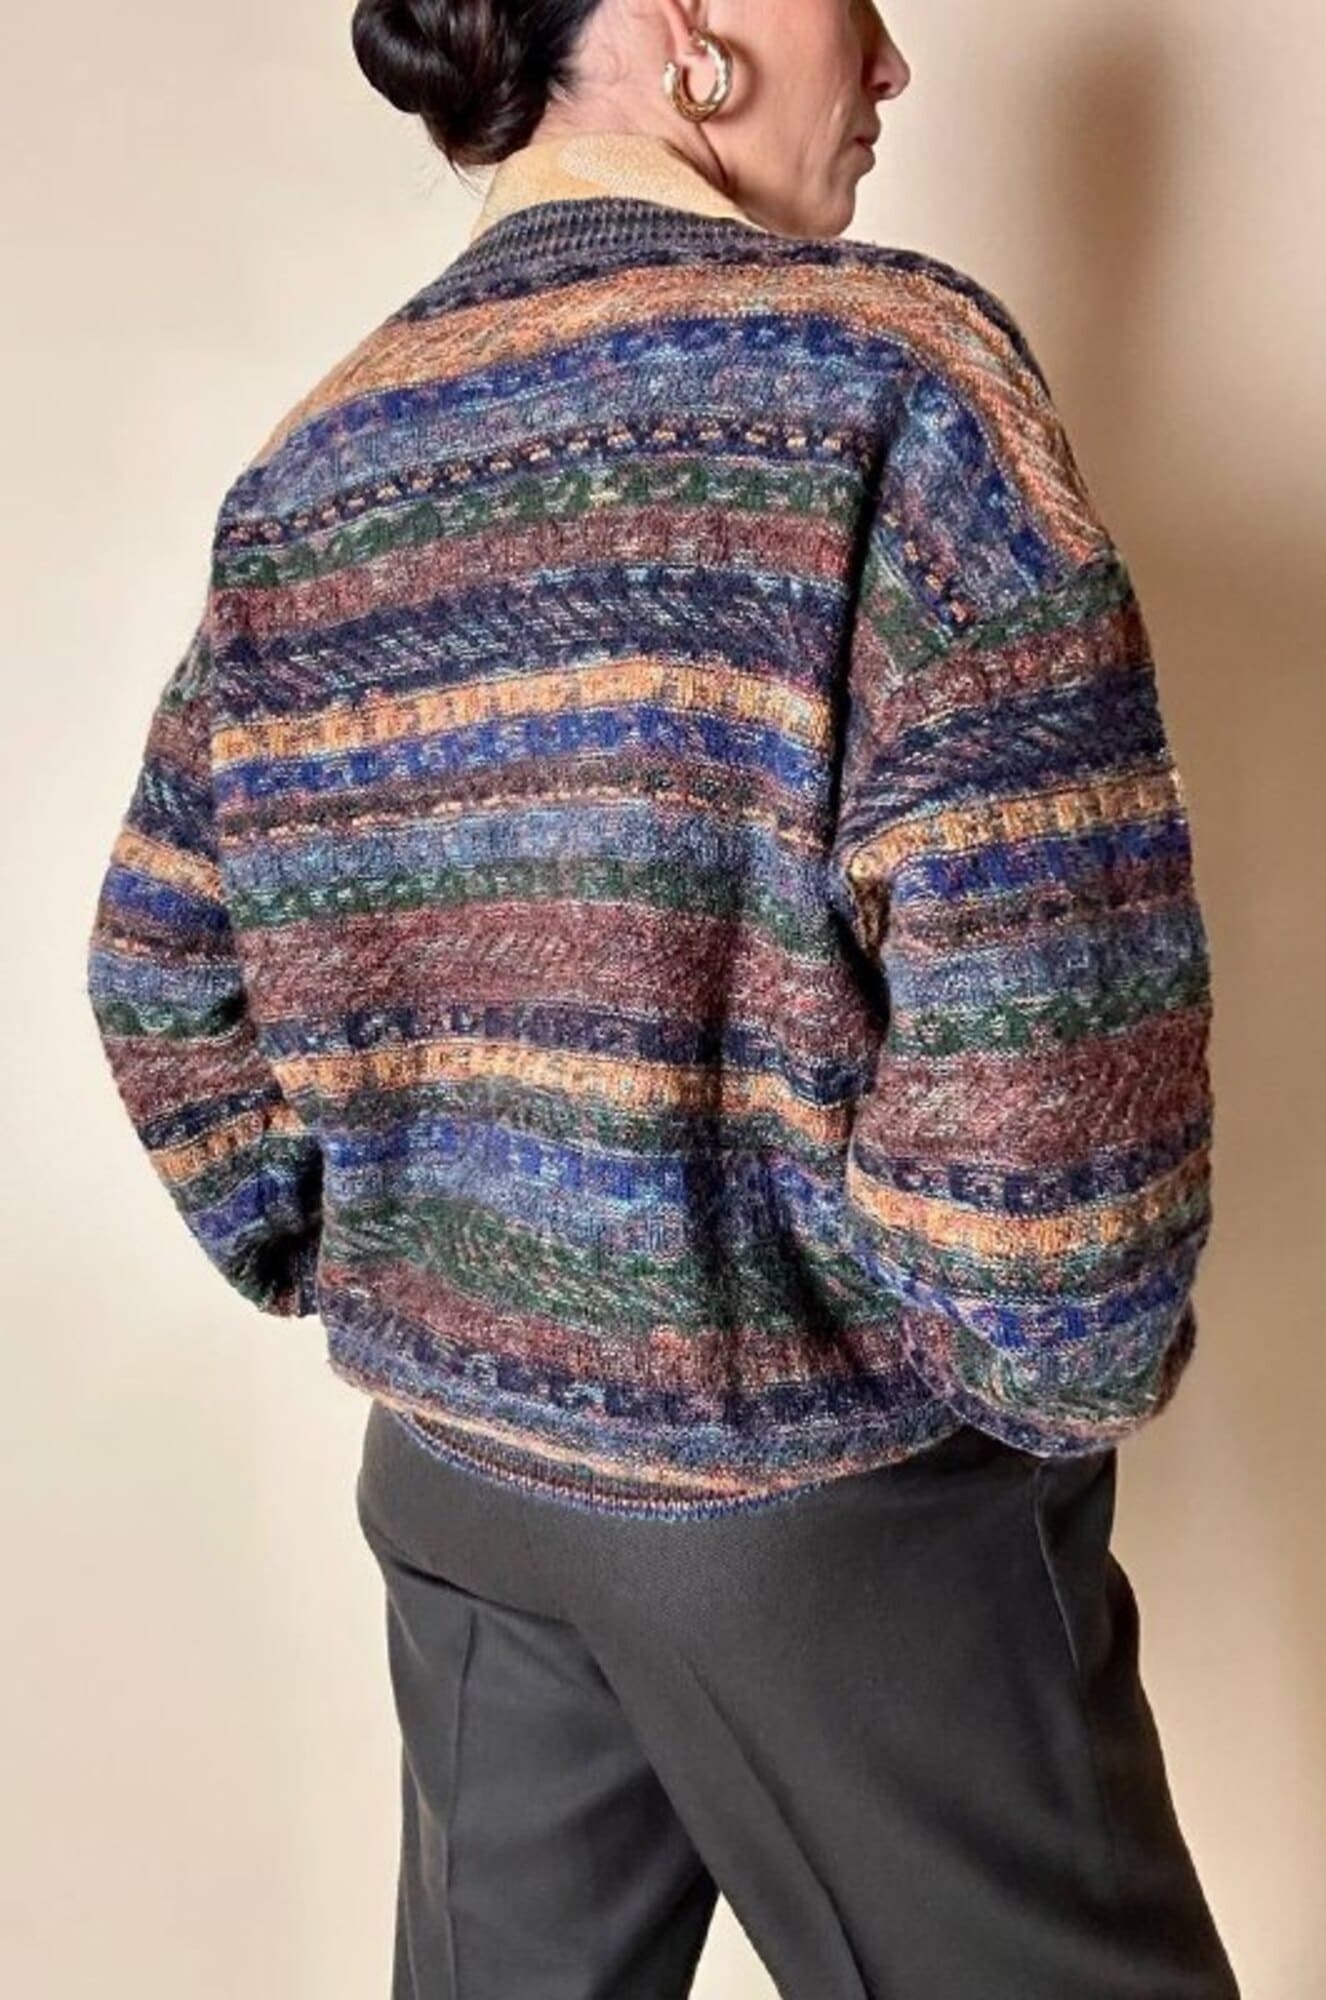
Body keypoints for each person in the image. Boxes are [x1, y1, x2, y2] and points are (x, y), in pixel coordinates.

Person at [82, 1, 1238, 1992]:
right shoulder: (882, 382)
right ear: (692, 20)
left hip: (459, 1480)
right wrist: (1017, 1388)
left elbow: (157, 963)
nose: (888, 63)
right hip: (818, 1499)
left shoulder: (317, 465)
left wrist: (391, 1259)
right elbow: (1046, 1009)